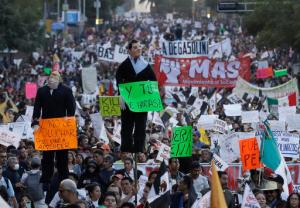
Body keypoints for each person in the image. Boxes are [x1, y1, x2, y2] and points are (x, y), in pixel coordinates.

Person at [32, 71, 76, 184]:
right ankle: (46, 181)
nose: (52, 80)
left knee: (62, 157)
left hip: (61, 129)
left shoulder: (66, 90)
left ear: (60, 80)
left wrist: (69, 120)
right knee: (47, 157)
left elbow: (71, 107)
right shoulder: (41, 91)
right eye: (51, 77)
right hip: (47, 129)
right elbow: (37, 108)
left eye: (55, 78)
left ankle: (64, 180)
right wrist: (35, 122)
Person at [116, 39, 157, 153]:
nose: (138, 49)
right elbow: (119, 81)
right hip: (127, 103)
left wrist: (150, 98)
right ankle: (126, 152)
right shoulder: (123, 66)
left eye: (139, 46)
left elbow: (153, 82)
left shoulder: (145, 65)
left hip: (141, 103)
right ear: (129, 50)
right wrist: (120, 96)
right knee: (126, 129)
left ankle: (139, 152)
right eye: (135, 47)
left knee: (140, 129)